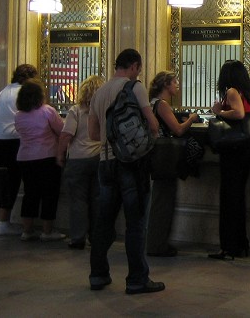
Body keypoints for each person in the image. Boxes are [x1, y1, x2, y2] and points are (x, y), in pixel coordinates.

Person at [87, 48, 165, 294]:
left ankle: (98, 275)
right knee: (135, 223)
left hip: (105, 162)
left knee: (104, 222)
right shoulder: (134, 88)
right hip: (132, 165)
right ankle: (137, 279)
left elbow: (92, 134)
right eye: (138, 69)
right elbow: (152, 124)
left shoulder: (99, 92)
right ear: (133, 67)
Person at [208, 60, 250, 261]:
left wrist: (219, 112)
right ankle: (240, 244)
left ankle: (228, 248)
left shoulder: (231, 92)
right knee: (238, 198)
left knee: (229, 199)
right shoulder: (248, 94)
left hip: (232, 151)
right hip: (246, 150)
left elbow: (238, 114)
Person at [146, 71, 199, 257]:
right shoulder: (163, 105)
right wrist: (192, 119)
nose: (177, 85)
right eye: (175, 81)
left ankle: (155, 243)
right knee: (164, 202)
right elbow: (177, 130)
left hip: (155, 156)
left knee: (159, 200)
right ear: (166, 85)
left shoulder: (151, 103)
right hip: (166, 157)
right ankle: (158, 245)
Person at [0, 64, 38, 236]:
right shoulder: (23, 92)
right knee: (9, 182)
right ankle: (4, 223)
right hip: (12, 140)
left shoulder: (4, 90)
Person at [13, 79, 65, 242]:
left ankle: (27, 230)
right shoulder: (47, 111)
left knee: (30, 194)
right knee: (49, 194)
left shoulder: (18, 116)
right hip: (47, 156)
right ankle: (47, 231)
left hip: (25, 158)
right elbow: (61, 130)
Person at [56, 74, 104, 250]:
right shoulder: (104, 111)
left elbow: (66, 134)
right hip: (99, 157)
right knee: (97, 200)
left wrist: (60, 154)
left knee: (78, 201)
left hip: (78, 159)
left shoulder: (75, 111)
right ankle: (97, 237)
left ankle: (77, 238)